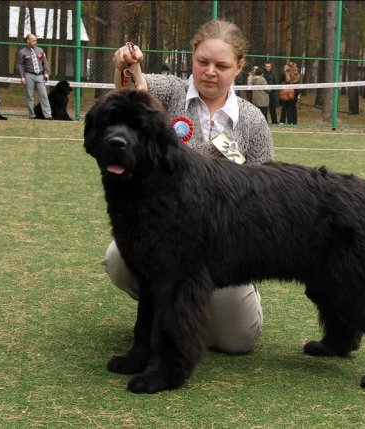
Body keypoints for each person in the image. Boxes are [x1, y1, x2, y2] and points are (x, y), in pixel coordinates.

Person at [107, 20, 274, 354]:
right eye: (202, 62)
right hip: (162, 230)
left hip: (224, 247)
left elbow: (266, 192)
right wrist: (127, 66)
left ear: (239, 67)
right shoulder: (168, 92)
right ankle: (167, 308)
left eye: (222, 65)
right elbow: (133, 93)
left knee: (235, 340)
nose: (210, 71)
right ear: (192, 59)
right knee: (119, 259)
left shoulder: (253, 121)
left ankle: (194, 308)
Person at [16, 33, 51, 119]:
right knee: (30, 96)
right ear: (28, 41)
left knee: (44, 95)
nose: (35, 42)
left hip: (40, 75)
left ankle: (48, 115)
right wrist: (22, 76)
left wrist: (46, 73)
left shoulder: (40, 50)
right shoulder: (22, 52)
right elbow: (20, 65)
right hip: (29, 75)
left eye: (36, 40)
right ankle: (32, 115)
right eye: (34, 40)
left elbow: (45, 62)